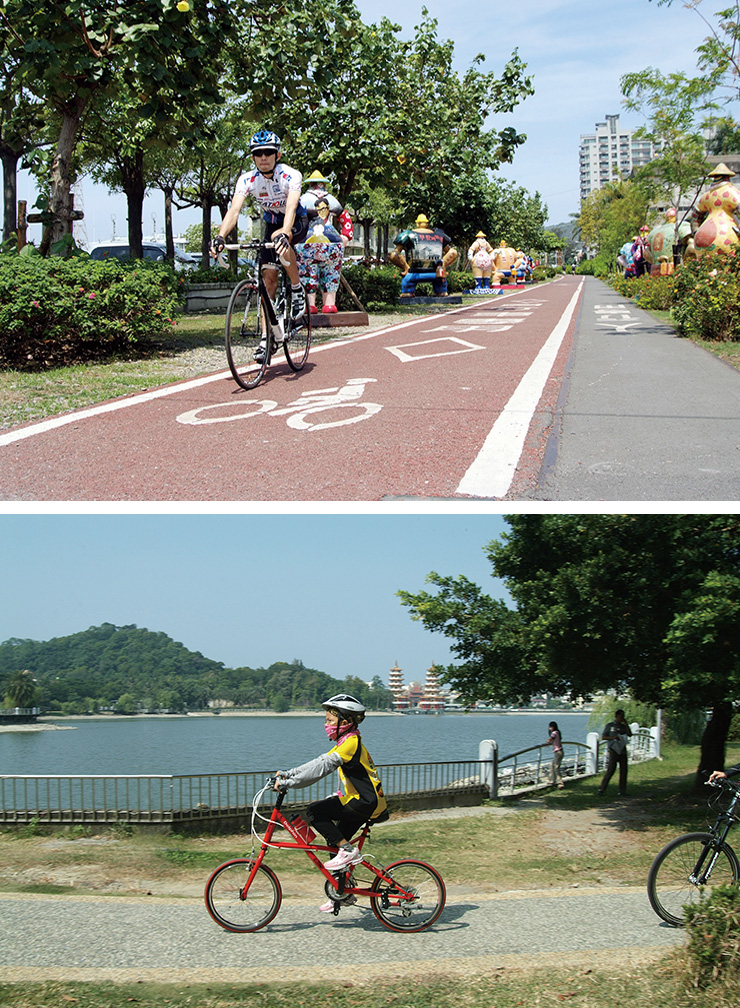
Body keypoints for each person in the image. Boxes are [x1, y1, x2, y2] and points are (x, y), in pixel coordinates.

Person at [274, 693, 387, 911]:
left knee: (315, 812)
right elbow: (319, 762)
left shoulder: (350, 743)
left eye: (329, 721)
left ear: (345, 722)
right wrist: (289, 774)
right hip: (361, 801)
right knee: (334, 841)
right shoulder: (346, 741)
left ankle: (348, 852)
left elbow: (322, 769)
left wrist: (290, 783)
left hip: (364, 802)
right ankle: (341, 891)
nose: (325, 724)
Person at [211, 130, 309, 358]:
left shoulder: (290, 175)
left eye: (268, 153)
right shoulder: (247, 180)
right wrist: (220, 237)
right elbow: (234, 211)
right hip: (271, 221)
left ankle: (296, 289)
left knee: (279, 240)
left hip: (294, 220)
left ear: (277, 154)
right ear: (253, 157)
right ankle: (268, 339)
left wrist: (285, 232)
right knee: (268, 281)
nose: (263, 157)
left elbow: (292, 206)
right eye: (258, 153)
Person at [598, 709, 632, 797]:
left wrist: (626, 724)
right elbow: (604, 737)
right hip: (613, 749)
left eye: (623, 716)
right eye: (621, 716)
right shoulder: (610, 726)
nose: (622, 718)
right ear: (616, 716)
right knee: (611, 770)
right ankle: (602, 789)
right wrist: (613, 737)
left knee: (624, 771)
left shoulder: (623, 727)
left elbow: (629, 734)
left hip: (622, 750)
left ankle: (622, 791)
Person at [546, 720, 564, 788]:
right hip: (559, 752)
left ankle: (560, 783)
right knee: (552, 765)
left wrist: (548, 741)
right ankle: (552, 780)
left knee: (556, 767)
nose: (549, 728)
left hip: (558, 752)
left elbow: (552, 737)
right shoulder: (558, 733)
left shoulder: (555, 732)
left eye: (550, 727)